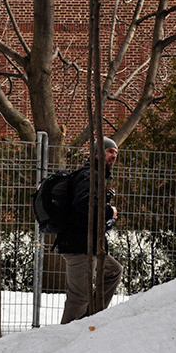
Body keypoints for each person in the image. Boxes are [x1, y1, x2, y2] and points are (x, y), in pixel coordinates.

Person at [58, 136, 122, 324]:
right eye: (110, 151)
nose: (113, 156)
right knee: (79, 298)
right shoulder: (89, 176)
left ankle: (89, 321)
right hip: (79, 245)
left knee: (113, 271)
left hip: (90, 244)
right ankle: (64, 338)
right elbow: (85, 205)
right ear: (96, 154)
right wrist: (110, 211)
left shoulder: (96, 176)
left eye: (116, 153)